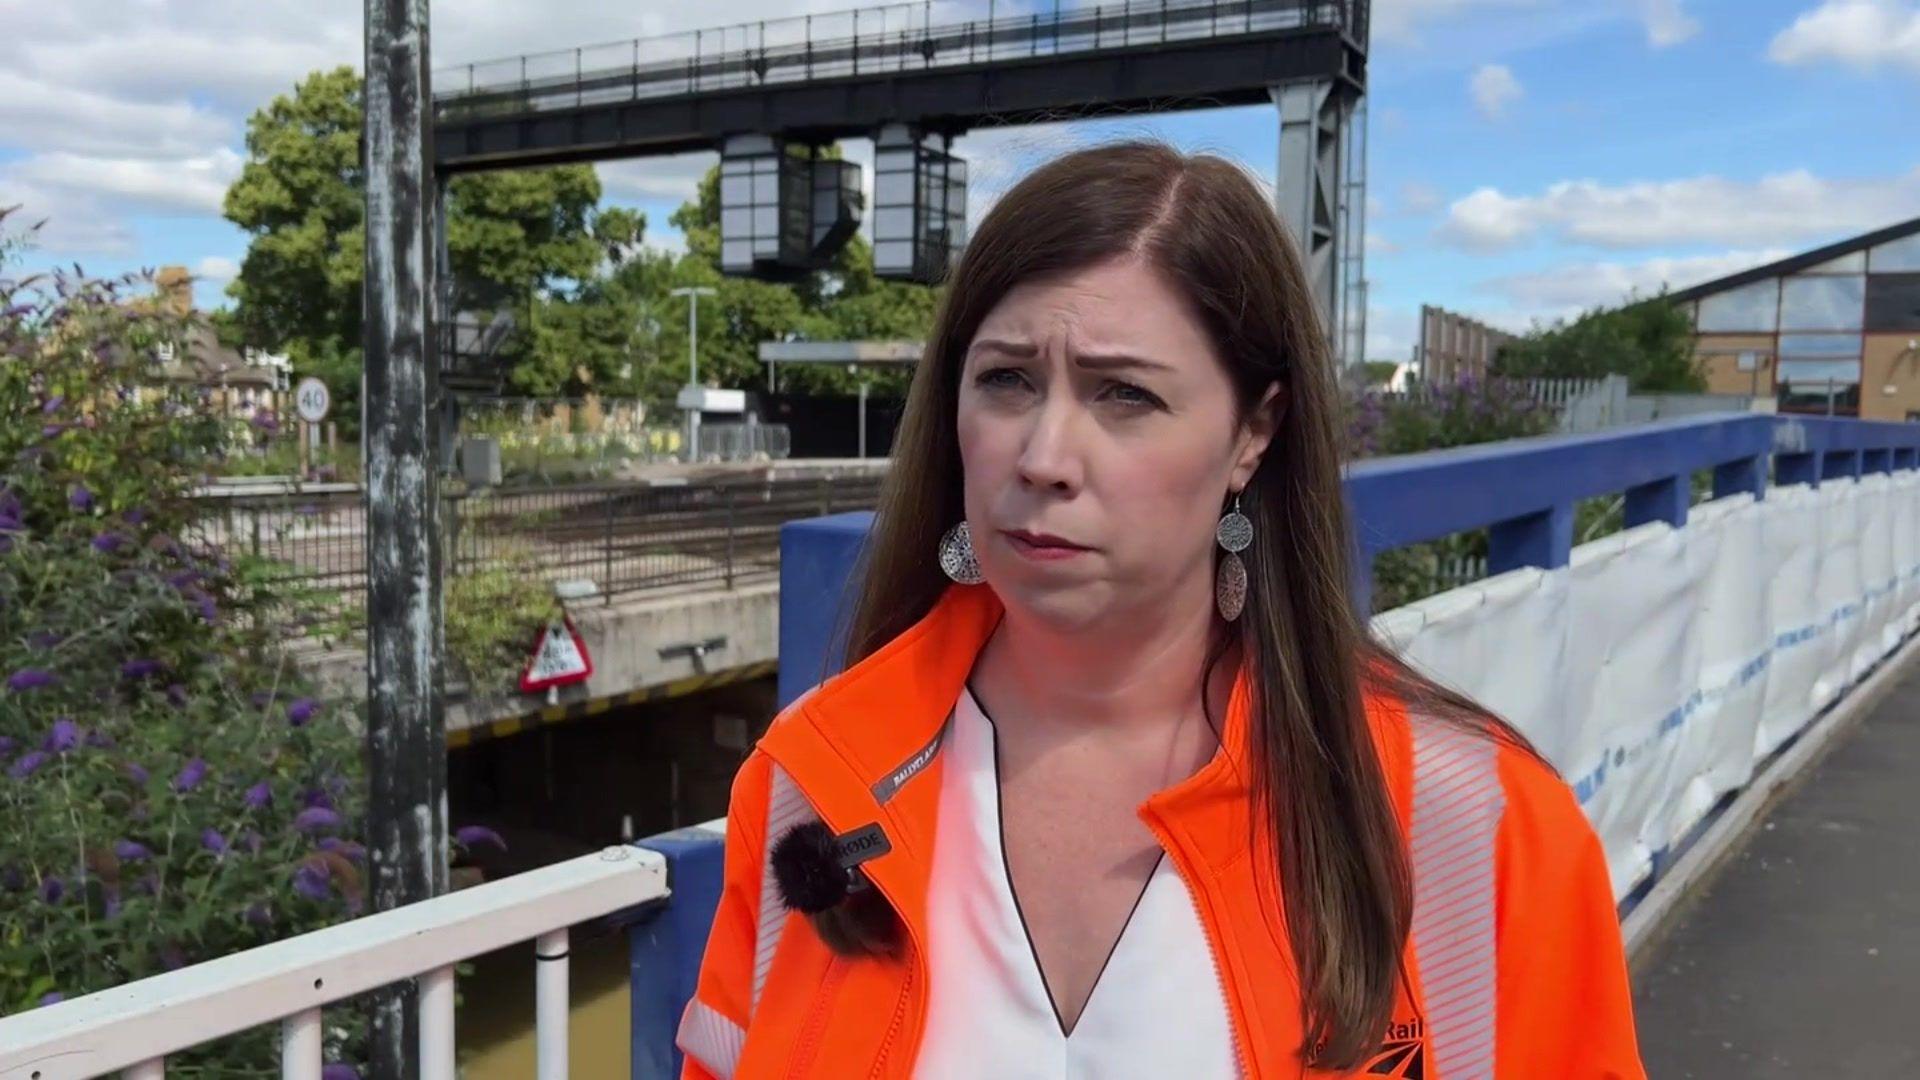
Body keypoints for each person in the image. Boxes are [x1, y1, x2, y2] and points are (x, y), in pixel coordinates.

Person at [678, 141, 1644, 1078]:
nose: (1045, 455)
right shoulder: (814, 779)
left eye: (1125, 395)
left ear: (1253, 435)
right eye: (1007, 379)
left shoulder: (1470, 822)